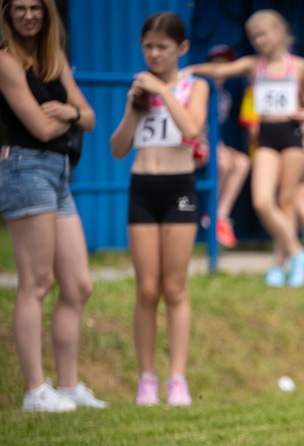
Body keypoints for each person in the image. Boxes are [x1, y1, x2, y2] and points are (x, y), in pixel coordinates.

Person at [0, 0, 105, 411]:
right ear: (7, 14)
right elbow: (40, 127)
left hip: (59, 174)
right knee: (36, 282)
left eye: (36, 8)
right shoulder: (6, 62)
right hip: (25, 170)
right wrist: (71, 115)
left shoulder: (53, 58)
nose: (28, 15)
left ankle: (68, 386)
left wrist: (69, 110)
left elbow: (91, 117)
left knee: (79, 285)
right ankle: (33, 390)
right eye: (19, 8)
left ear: (48, 13)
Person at [109, 11, 209, 406]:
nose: (154, 54)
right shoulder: (139, 89)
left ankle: (177, 378)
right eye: (148, 46)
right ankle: (146, 377)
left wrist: (164, 92)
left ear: (181, 49)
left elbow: (192, 129)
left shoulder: (193, 85)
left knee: (174, 286)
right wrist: (136, 105)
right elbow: (118, 149)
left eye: (162, 47)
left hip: (179, 187)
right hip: (142, 187)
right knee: (147, 288)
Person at [185, 10, 304, 288]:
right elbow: (220, 70)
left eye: (264, 33)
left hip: (291, 135)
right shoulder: (252, 65)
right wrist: (190, 70)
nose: (260, 40)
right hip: (266, 138)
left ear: (280, 32)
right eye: (254, 36)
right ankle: (298, 253)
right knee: (262, 200)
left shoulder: (299, 67)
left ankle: (278, 266)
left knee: (286, 202)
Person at [203, 44, 250, 249]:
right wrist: (211, 146)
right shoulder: (200, 89)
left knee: (242, 161)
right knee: (221, 162)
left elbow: (213, 127)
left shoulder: (225, 97)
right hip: (190, 146)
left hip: (211, 144)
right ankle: (209, 212)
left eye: (225, 65)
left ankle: (220, 217)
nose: (220, 70)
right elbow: (194, 126)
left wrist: (220, 145)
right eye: (216, 65)